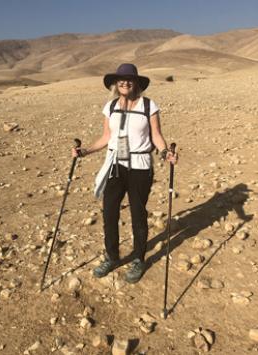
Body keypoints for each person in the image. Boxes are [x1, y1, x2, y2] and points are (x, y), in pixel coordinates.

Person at [72, 63, 178, 283]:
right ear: (115, 83)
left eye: (130, 79)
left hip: (140, 166)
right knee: (109, 213)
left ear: (136, 82)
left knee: (138, 214)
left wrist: (165, 152)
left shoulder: (148, 105)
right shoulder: (110, 107)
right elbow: (105, 137)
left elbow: (157, 135)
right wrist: (85, 151)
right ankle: (112, 256)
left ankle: (138, 258)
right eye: (121, 79)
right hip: (115, 165)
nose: (125, 82)